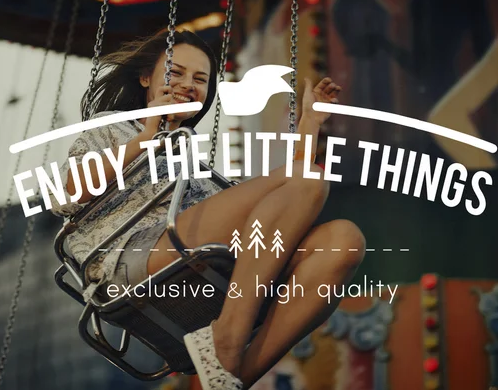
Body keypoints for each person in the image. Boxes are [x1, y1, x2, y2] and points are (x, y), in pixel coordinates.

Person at [50, 29, 365, 390]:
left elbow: (293, 194)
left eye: (200, 79)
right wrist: (145, 137)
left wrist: (309, 123)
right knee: (306, 176)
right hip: (131, 256)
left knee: (344, 240)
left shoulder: (193, 163)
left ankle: (232, 377)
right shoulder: (113, 129)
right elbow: (64, 194)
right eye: (176, 72)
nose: (188, 84)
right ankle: (227, 338)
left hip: (200, 258)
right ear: (145, 78)